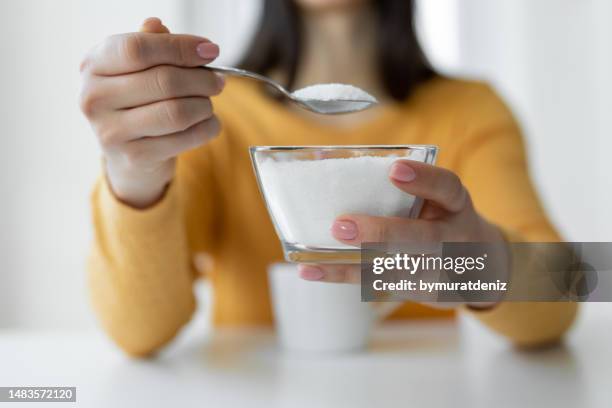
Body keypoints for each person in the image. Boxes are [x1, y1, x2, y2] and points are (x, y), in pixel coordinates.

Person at [80, 0, 577, 357]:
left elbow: (570, 288)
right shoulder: (207, 119)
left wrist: (483, 266)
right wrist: (134, 170)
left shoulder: (471, 112)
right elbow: (138, 332)